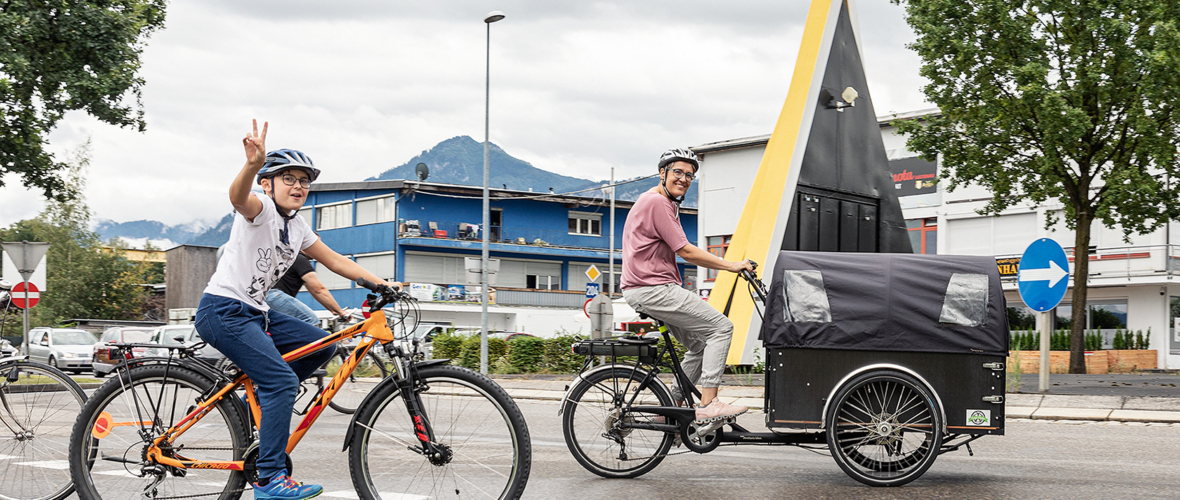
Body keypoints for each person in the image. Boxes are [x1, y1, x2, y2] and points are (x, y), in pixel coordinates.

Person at [195, 120, 397, 500]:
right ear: (268, 184)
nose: (298, 186)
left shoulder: (298, 226)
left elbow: (335, 261)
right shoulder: (260, 211)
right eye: (288, 178)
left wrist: (381, 283)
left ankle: (253, 401)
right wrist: (253, 165)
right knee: (282, 383)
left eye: (304, 180)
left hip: (255, 314)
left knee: (323, 345)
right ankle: (270, 479)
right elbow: (238, 197)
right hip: (223, 311)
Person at [621, 147, 754, 424]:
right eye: (678, 172)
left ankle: (671, 409)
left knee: (699, 346)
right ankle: (709, 403)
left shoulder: (659, 203)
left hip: (646, 288)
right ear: (663, 173)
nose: (683, 179)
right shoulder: (656, 203)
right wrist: (733, 265)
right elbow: (686, 251)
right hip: (653, 288)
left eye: (689, 175)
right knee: (721, 327)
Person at [267, 252, 351, 326]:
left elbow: (314, 291)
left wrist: (333, 310)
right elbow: (318, 289)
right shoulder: (299, 258)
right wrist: (341, 312)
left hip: (262, 296)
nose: (318, 249)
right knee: (310, 320)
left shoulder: (288, 257)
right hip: (272, 295)